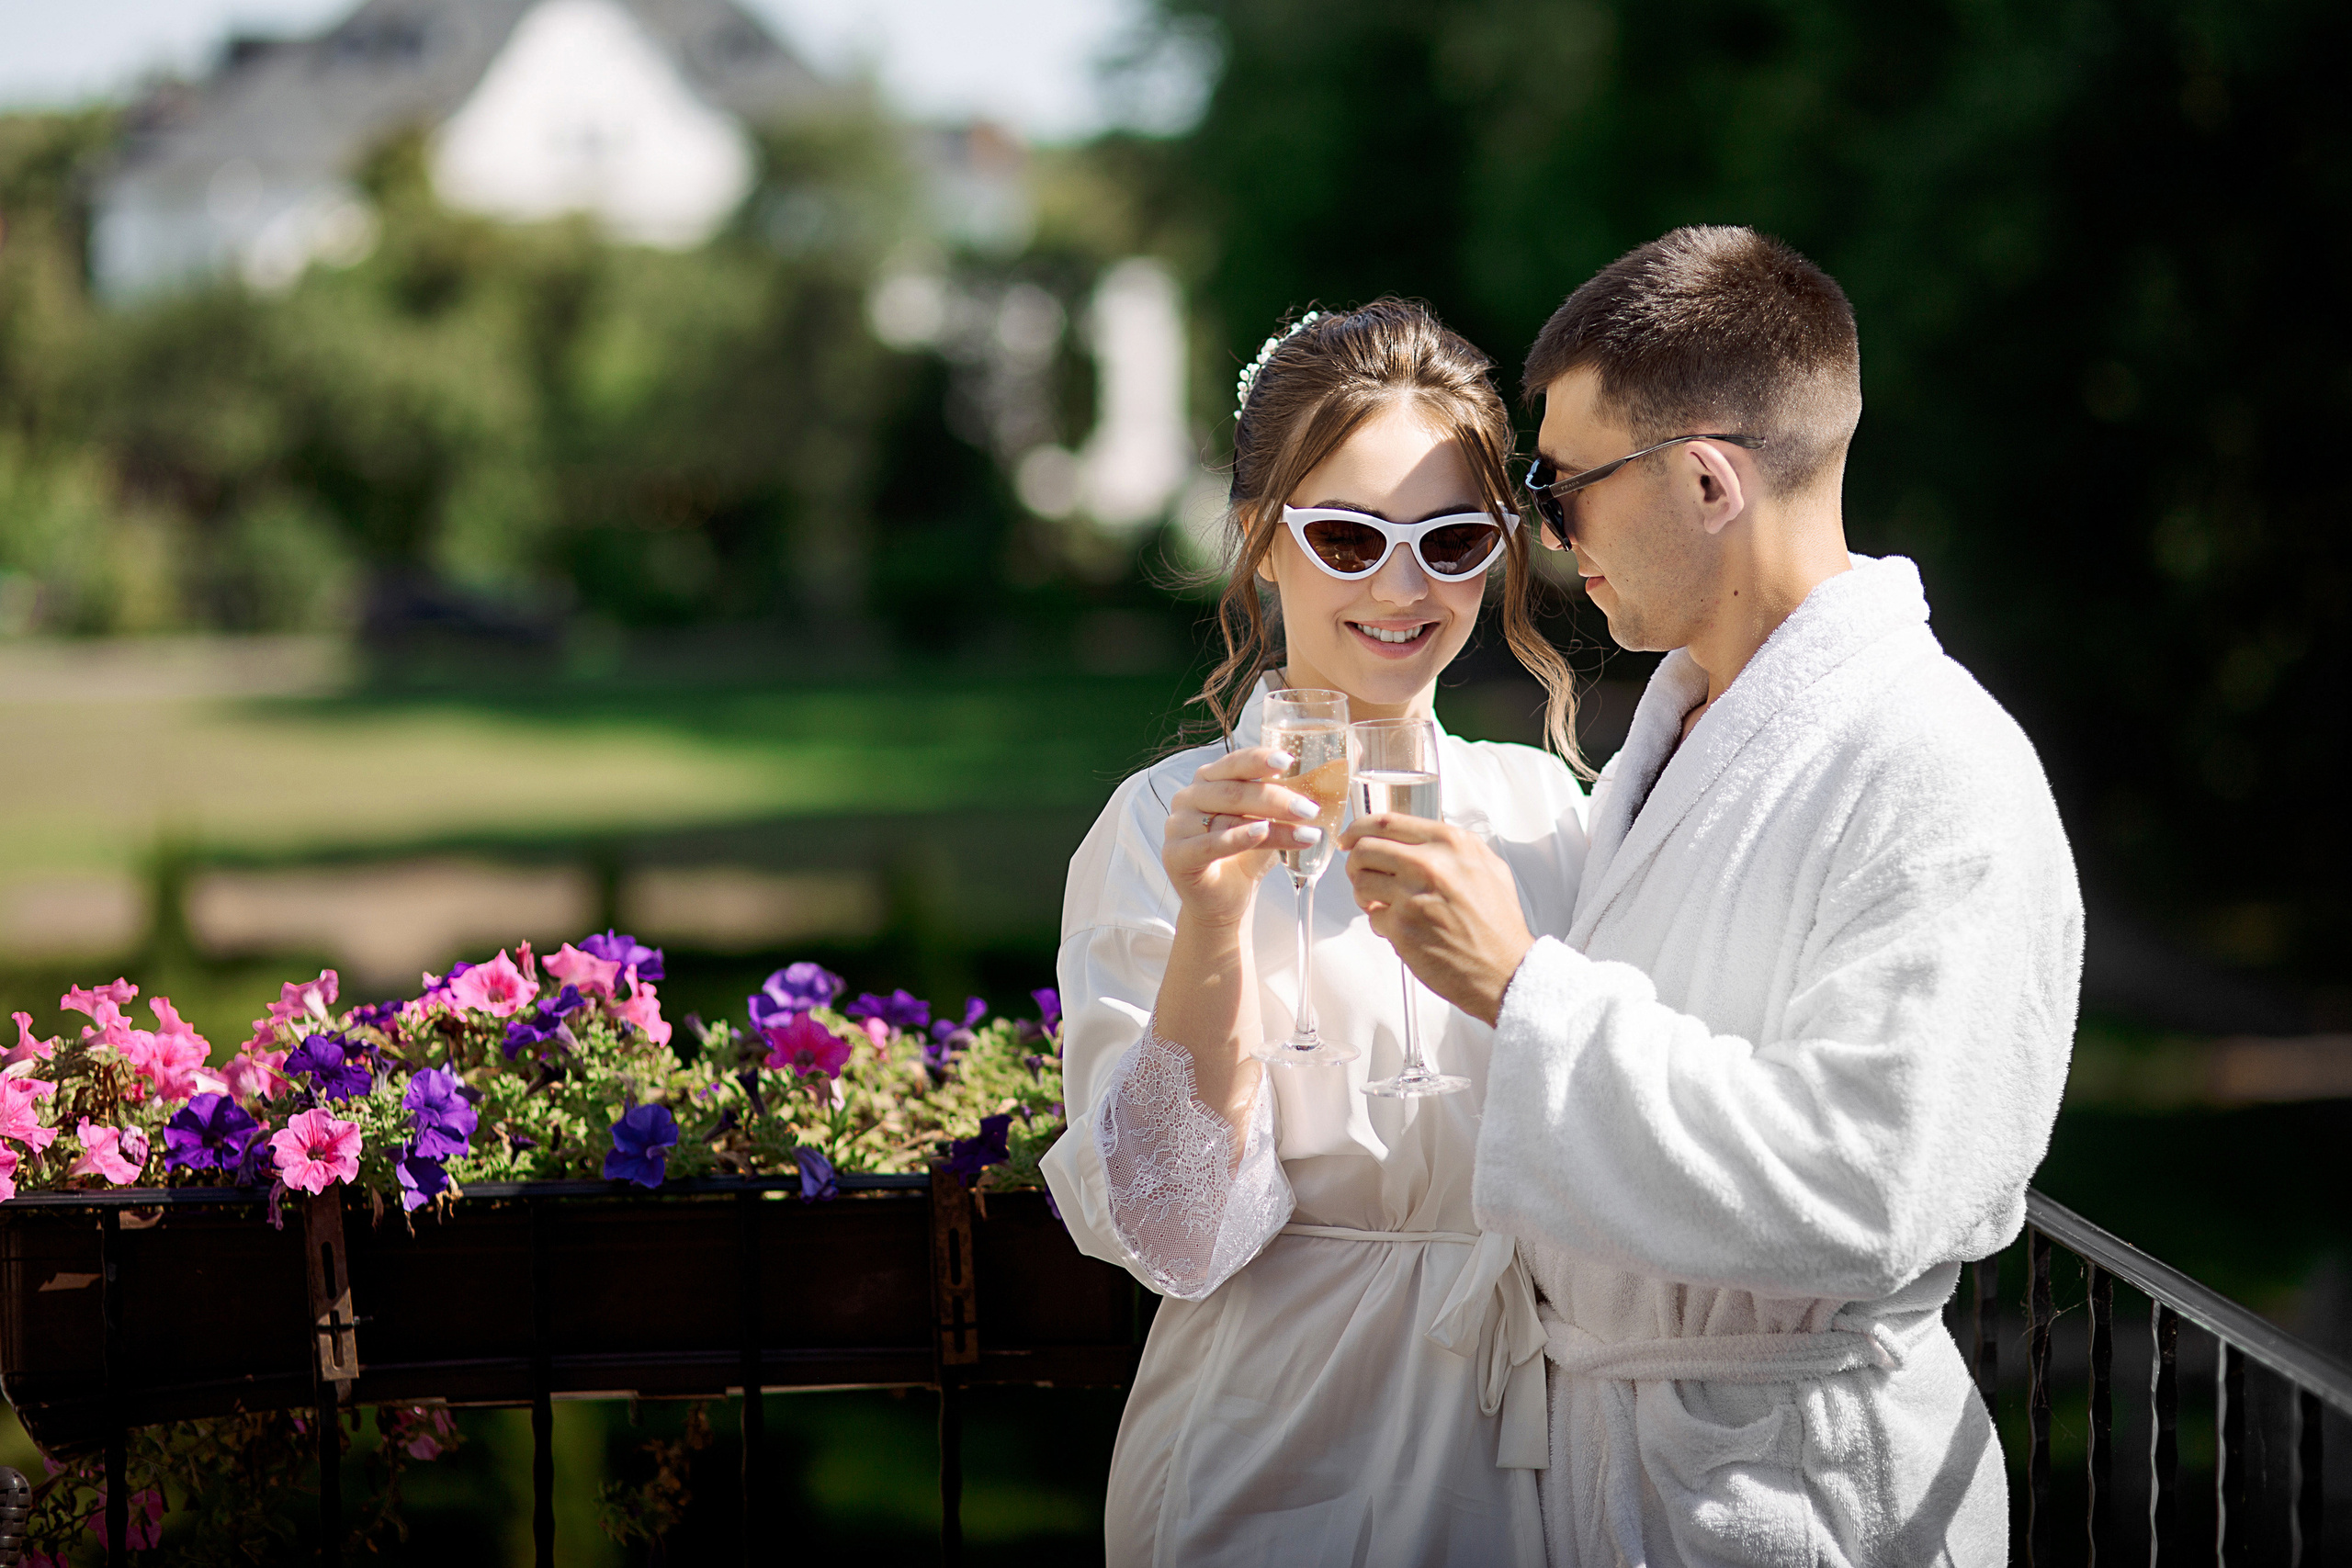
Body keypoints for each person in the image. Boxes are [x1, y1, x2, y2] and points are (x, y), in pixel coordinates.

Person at [1340, 227, 2082, 1567]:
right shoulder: (1682, 732)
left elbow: (1874, 1183)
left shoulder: (1940, 769)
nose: (1551, 539)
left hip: (1796, 1501)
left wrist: (1524, 989)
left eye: (1560, 490)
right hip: (1612, 1471)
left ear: (1702, 478)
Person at [1041, 299, 1587, 1565]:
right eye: (1347, 536)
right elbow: (1177, 1234)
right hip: (1263, 1456)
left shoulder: (1545, 810)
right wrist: (1214, 926)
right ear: (1261, 542)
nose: (1405, 587)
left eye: (1452, 540)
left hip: (1527, 1461)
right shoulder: (1156, 830)